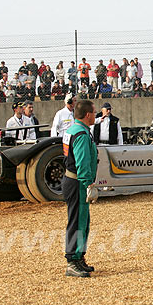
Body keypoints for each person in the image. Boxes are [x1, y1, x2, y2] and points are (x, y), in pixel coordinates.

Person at [61, 100, 98, 277]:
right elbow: (82, 161)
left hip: (71, 180)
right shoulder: (82, 134)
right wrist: (88, 183)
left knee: (81, 221)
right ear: (88, 114)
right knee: (77, 222)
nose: (95, 116)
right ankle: (72, 261)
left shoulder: (72, 130)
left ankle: (78, 257)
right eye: (94, 113)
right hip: (78, 182)